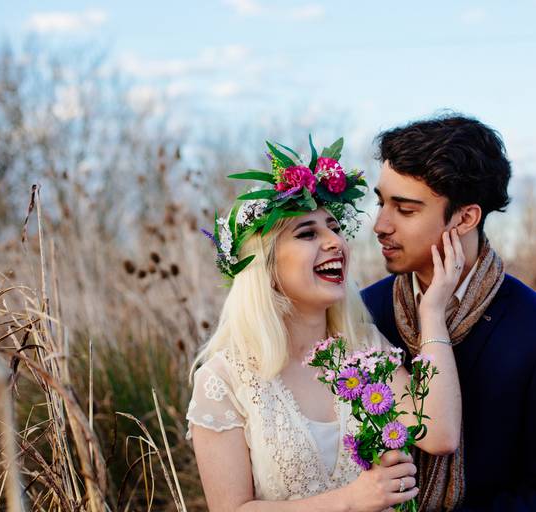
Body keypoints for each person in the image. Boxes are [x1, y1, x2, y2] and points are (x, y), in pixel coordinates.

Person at [186, 137, 465, 511]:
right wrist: (350, 501)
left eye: (334, 228)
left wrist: (432, 313)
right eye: (307, 233)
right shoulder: (223, 381)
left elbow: (439, 434)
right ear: (265, 267)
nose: (335, 242)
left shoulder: (363, 350)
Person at [361, 114, 536, 511]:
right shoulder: (364, 313)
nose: (380, 225)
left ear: (466, 217)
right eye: (382, 202)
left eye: (405, 209)